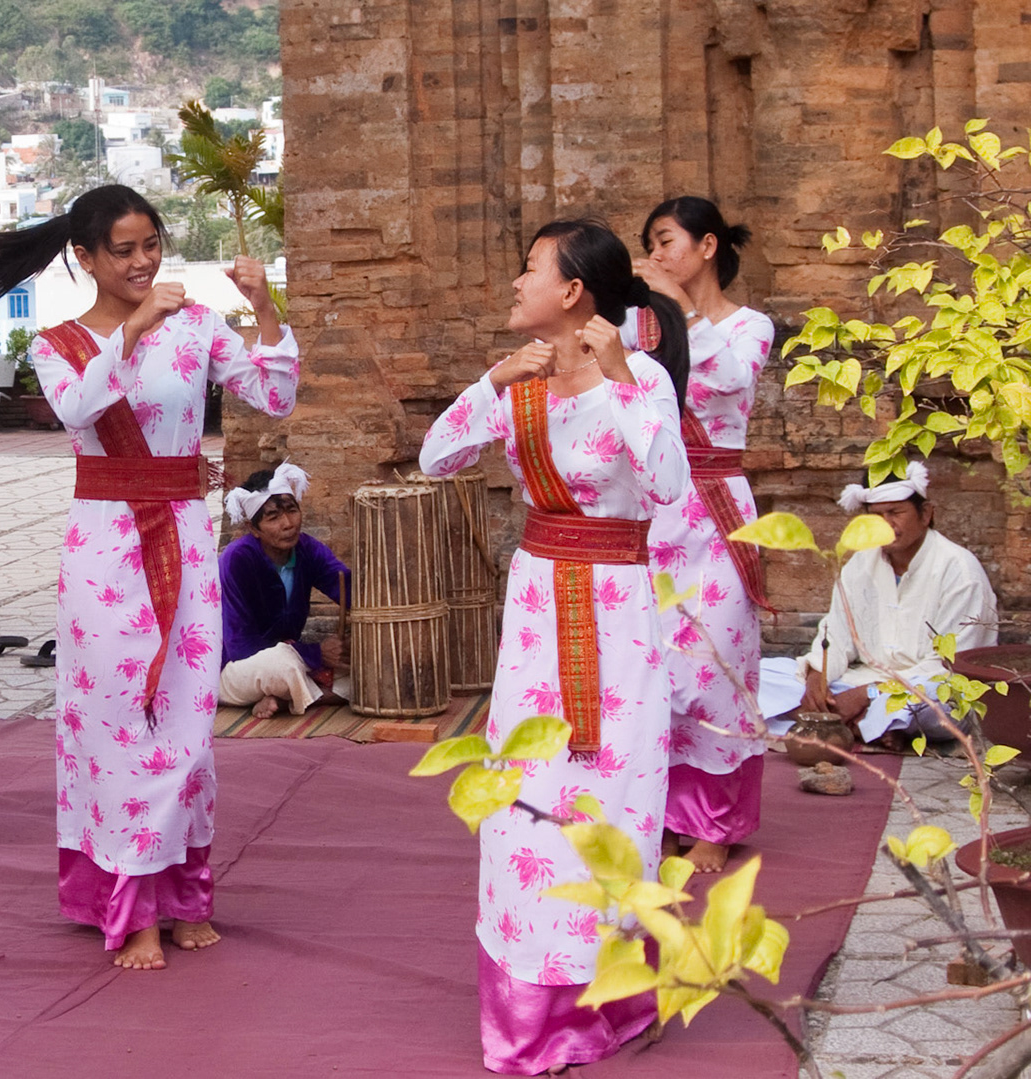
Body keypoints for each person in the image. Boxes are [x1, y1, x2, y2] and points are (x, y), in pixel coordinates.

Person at [0, 184, 300, 971]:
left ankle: (183, 895)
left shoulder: (198, 325)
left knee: (186, 720)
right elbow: (78, 409)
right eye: (124, 250)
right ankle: (132, 904)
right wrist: (135, 328)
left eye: (152, 244)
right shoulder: (56, 344)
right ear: (85, 257)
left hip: (183, 537)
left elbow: (275, 395)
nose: (144, 261)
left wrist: (264, 308)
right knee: (115, 721)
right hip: (105, 549)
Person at [420, 219, 690, 1074]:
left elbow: (669, 485)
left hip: (619, 620)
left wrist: (622, 380)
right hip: (538, 620)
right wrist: (491, 380)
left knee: (617, 804)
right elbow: (436, 457)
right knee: (523, 810)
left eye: (530, 268)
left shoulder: (642, 376)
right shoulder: (518, 382)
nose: (515, 282)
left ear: (573, 291)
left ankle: (617, 999)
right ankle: (532, 1011)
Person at [621, 197, 774, 875]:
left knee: (716, 665)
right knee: (655, 665)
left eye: (666, 241)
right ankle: (660, 813)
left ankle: (715, 819)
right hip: (655, 506)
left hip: (718, 507)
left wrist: (678, 305)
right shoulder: (637, 327)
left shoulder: (749, 326)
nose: (656, 256)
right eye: (651, 245)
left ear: (707, 246)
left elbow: (730, 380)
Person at [757, 461, 999, 743]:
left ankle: (843, 720)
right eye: (876, 516)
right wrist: (817, 680)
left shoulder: (960, 571)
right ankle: (859, 723)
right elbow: (836, 637)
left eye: (895, 512)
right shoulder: (860, 564)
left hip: (925, 688)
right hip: (856, 682)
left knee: (935, 701)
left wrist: (869, 694)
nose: (885, 525)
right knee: (758, 674)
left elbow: (949, 668)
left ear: (926, 514)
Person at [217, 464, 351, 718]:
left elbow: (348, 587)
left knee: (363, 667)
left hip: (292, 657)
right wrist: (315, 654)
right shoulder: (237, 559)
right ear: (253, 529)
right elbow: (240, 647)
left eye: (291, 511)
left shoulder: (308, 550)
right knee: (282, 667)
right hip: (235, 668)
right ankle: (308, 694)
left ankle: (285, 696)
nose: (288, 524)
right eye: (273, 518)